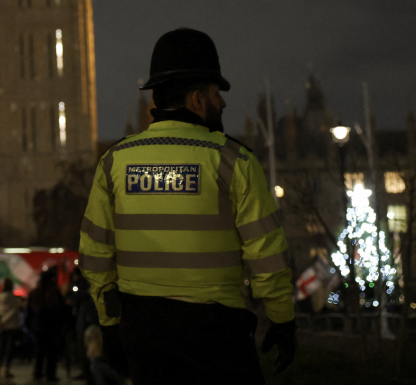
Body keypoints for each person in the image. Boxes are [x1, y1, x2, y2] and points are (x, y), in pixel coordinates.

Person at [78, 28, 296, 385]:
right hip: (216, 331)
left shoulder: (114, 162)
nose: (223, 103)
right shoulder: (233, 161)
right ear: (196, 99)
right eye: (216, 94)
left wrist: (109, 323)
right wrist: (282, 319)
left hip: (143, 328)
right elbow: (267, 254)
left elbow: (95, 254)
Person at [27, 267, 66, 382]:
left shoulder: (34, 293)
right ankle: (50, 374)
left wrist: (30, 325)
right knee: (52, 353)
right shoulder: (54, 293)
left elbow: (30, 311)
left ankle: (38, 372)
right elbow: (61, 310)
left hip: (38, 326)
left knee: (40, 351)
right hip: (52, 326)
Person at [0, 278, 22, 380]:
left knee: (0, 348)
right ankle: (6, 369)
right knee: (9, 349)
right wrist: (5, 322)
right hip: (11, 326)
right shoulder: (15, 298)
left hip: (0, 327)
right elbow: (14, 311)